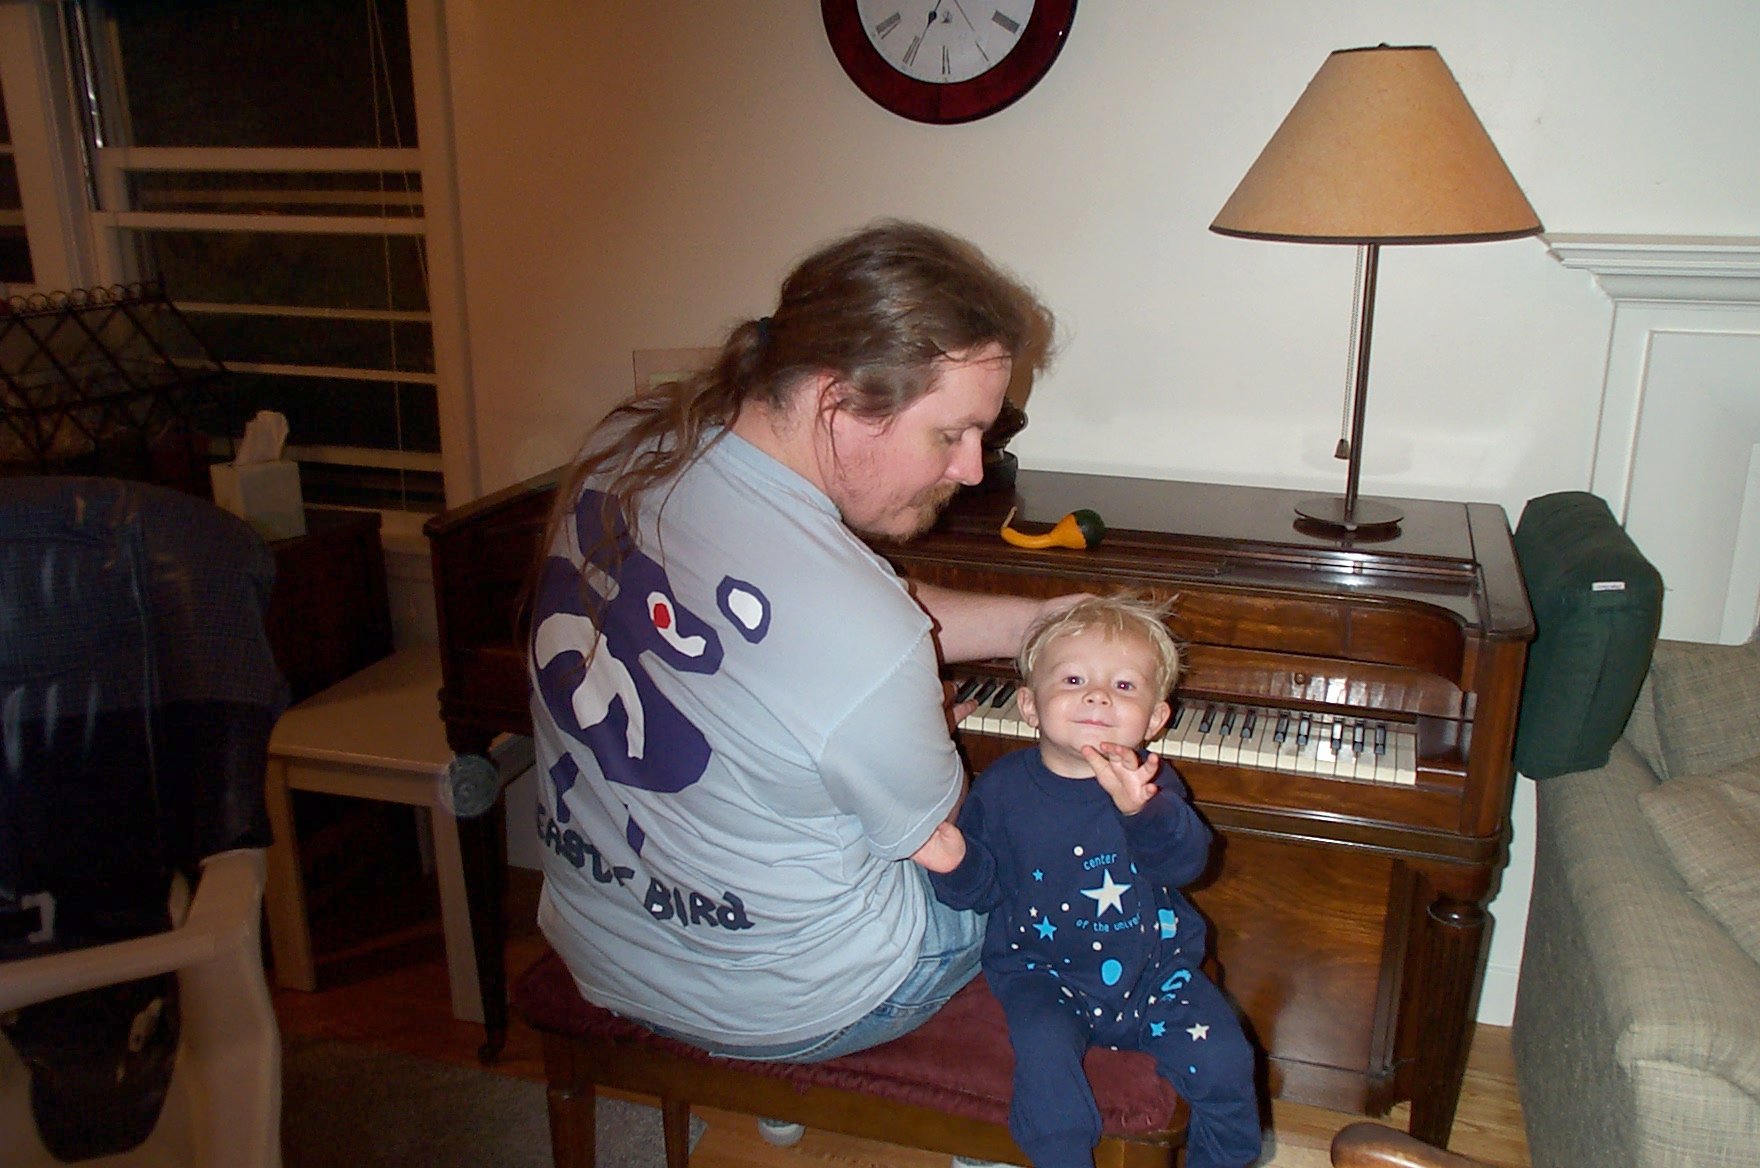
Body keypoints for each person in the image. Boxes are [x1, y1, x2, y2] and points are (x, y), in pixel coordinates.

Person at [526, 220, 1076, 1073]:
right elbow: (950, 849)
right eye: (951, 433)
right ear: (836, 400)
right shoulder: (864, 632)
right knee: (1067, 851)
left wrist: (1031, 624)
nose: (972, 470)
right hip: (790, 999)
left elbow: (840, 613)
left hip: (602, 941)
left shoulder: (632, 441)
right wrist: (907, 724)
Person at [915, 594, 1263, 1168]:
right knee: (1047, 1081)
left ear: (1155, 719)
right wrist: (956, 865)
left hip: (1156, 971)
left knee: (1228, 1063)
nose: (1098, 696)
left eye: (1123, 686)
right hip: (1041, 975)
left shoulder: (1151, 786)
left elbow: (1187, 865)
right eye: (1074, 679)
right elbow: (982, 892)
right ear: (1029, 704)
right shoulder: (1001, 791)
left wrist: (1142, 811)